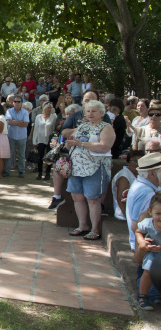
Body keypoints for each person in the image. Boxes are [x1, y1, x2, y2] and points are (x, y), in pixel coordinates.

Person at [65, 100, 115, 241]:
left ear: (101, 113)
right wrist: (70, 144)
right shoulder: (82, 126)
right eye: (88, 111)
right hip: (76, 168)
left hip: (95, 168)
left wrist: (81, 143)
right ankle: (83, 226)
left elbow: (104, 146)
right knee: (77, 197)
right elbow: (72, 145)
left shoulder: (106, 127)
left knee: (92, 199)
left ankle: (95, 229)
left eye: (94, 111)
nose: (90, 114)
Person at [134, 193, 161, 310]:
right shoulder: (148, 223)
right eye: (158, 214)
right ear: (150, 212)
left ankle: (156, 295)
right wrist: (141, 242)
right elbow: (138, 231)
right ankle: (142, 296)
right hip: (153, 252)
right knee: (148, 272)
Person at [113, 150, 144, 221]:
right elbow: (121, 200)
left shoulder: (139, 174)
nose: (137, 164)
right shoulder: (124, 177)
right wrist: (129, 220)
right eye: (134, 161)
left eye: (140, 161)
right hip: (125, 216)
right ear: (128, 162)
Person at [3, 95, 29, 178]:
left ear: (21, 103)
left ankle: (21, 171)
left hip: (22, 136)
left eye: (19, 101)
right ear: (13, 102)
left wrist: (15, 122)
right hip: (11, 135)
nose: (17, 103)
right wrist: (19, 122)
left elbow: (25, 124)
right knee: (9, 154)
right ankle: (7, 170)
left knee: (21, 155)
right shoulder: (9, 111)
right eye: (15, 101)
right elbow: (9, 122)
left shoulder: (25, 112)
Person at [31, 103, 58, 180]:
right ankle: (39, 173)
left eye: (50, 108)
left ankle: (47, 173)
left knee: (49, 157)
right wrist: (34, 141)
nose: (49, 110)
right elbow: (36, 129)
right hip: (40, 139)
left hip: (49, 140)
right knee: (40, 156)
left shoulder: (54, 117)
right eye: (47, 108)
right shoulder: (38, 117)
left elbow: (54, 129)